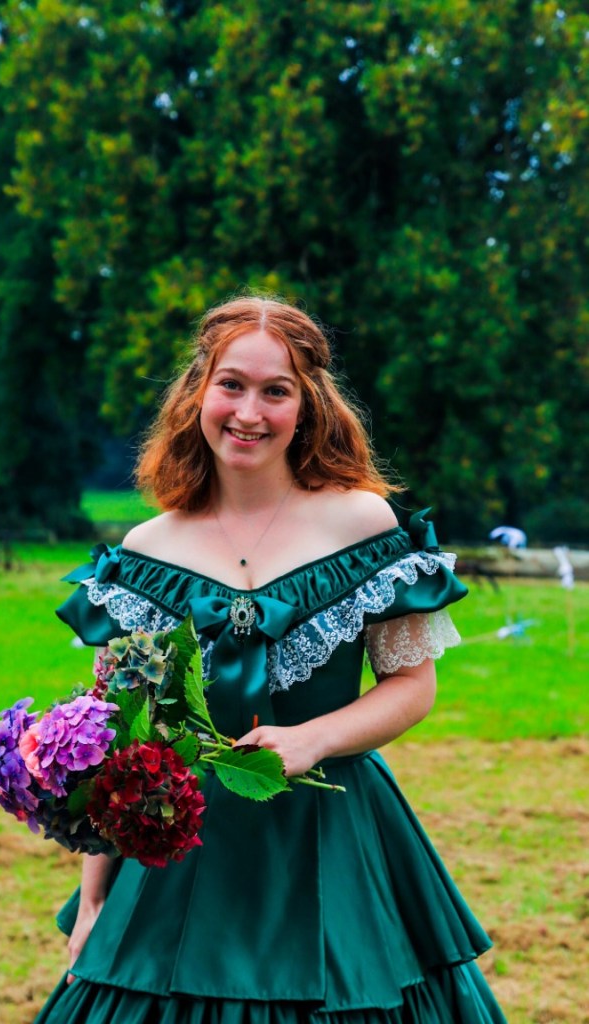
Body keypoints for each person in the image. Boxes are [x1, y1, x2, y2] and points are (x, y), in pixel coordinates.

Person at [35, 296, 507, 1023]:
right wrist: (96, 897)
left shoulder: (363, 524)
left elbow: (412, 686)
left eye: (274, 390)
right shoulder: (144, 554)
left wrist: (309, 740)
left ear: (306, 404)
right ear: (198, 392)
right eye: (231, 384)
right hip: (180, 850)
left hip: (336, 837)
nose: (248, 411)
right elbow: (123, 743)